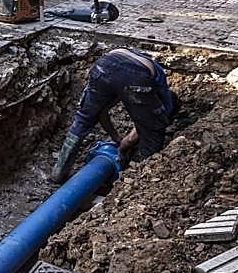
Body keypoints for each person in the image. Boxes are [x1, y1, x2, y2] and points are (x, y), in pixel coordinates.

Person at [50, 48, 177, 183]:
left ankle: (59, 172)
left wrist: (116, 138)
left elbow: (101, 111)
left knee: (84, 119)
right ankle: (136, 175)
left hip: (103, 65)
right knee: (154, 135)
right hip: (136, 74)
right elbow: (150, 124)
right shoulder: (165, 98)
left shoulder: (136, 60)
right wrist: (124, 145)